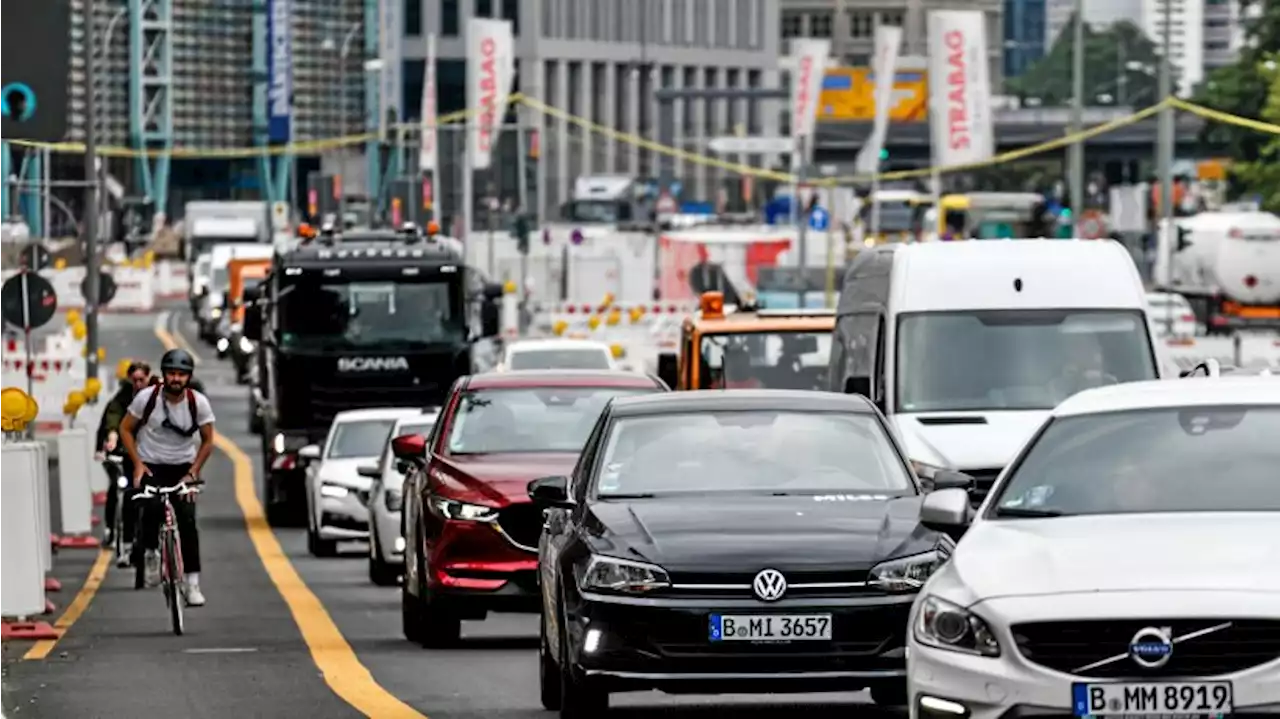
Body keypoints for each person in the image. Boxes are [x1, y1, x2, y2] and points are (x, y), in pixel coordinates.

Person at [118, 348, 215, 607]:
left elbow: (207, 441)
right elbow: (125, 429)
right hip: (151, 464)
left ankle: (192, 583)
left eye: (181, 375)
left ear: (189, 377)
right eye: (171, 373)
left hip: (183, 466)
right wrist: (137, 464)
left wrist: (193, 472)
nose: (176, 379)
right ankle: (150, 554)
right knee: (150, 507)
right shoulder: (146, 399)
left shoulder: (198, 403)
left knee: (187, 521)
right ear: (163, 375)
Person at [95, 361, 152, 567]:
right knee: (128, 495)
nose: (138, 384)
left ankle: (159, 546)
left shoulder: (158, 396)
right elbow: (113, 417)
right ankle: (125, 544)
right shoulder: (122, 399)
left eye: (141, 380)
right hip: (130, 455)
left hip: (154, 456)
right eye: (134, 380)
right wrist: (111, 438)